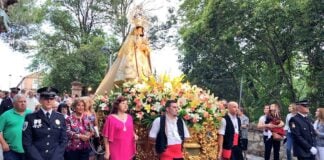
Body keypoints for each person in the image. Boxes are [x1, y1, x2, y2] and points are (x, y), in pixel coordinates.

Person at [95, 6, 152, 95]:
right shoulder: (131, 38)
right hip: (132, 59)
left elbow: (148, 50)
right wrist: (135, 44)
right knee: (131, 76)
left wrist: (143, 47)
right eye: (138, 29)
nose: (139, 31)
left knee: (144, 77)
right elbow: (126, 49)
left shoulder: (144, 39)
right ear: (135, 29)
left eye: (141, 30)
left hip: (142, 60)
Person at [22, 87, 67, 160]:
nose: (49, 101)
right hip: (35, 157)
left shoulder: (60, 117)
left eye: (51, 99)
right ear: (40, 100)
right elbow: (27, 142)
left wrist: (55, 158)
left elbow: (63, 140)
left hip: (55, 157)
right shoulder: (30, 118)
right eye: (46, 98)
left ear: (54, 100)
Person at [0, 94, 32, 160]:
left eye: (24, 101)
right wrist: (3, 143)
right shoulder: (6, 115)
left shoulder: (31, 114)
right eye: (20, 102)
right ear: (14, 104)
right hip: (11, 150)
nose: (23, 103)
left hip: (28, 150)